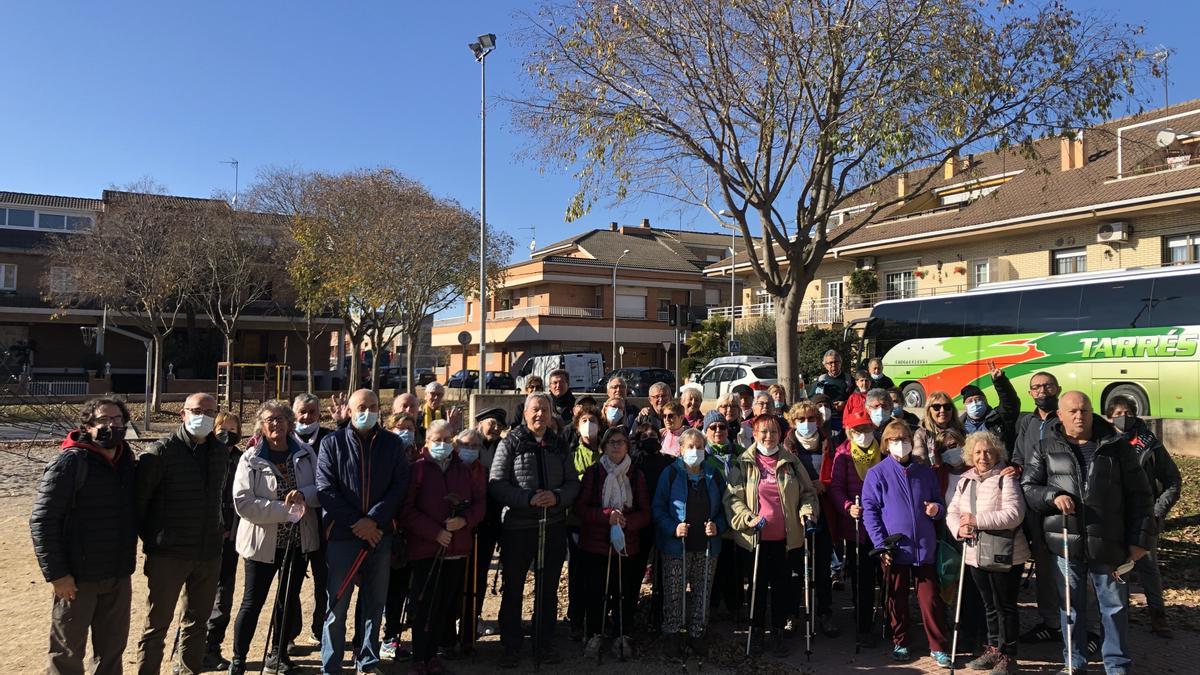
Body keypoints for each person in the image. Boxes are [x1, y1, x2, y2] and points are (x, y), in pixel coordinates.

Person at [1021, 391, 1157, 674]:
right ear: (1060, 414)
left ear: (1092, 411)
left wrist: (1140, 540)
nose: (1078, 416)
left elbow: (1142, 496)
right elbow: (1029, 488)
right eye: (1071, 411)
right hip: (1066, 544)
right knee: (1070, 608)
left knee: (1115, 608)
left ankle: (1117, 665)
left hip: (1111, 544)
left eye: (1083, 410)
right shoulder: (1044, 447)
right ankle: (1074, 662)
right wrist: (1052, 496)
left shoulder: (1117, 447)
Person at [31, 398, 138, 675]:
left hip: (117, 574)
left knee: (112, 651)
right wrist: (57, 574)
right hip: (77, 579)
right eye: (103, 420)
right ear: (88, 426)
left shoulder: (127, 461)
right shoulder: (70, 462)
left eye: (116, 420)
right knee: (67, 652)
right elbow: (43, 520)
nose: (111, 425)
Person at [134, 392, 230, 675]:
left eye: (211, 412)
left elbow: (219, 497)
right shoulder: (161, 452)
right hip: (169, 555)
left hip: (208, 553)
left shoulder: (220, 452)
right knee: (156, 625)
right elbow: (140, 505)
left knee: (197, 623)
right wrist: (156, 541)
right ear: (183, 414)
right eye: (198, 410)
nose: (204, 417)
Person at [316, 389, 411, 674]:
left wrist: (374, 520)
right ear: (349, 410)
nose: (367, 411)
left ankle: (368, 661)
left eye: (372, 406)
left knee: (374, 602)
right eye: (361, 406)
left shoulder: (392, 444)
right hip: (344, 535)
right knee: (337, 604)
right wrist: (357, 523)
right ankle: (331, 665)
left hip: (379, 535)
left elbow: (399, 486)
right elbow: (325, 489)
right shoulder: (332, 443)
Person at [489, 393, 581, 668]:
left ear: (552, 413)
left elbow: (573, 483)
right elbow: (496, 483)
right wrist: (527, 498)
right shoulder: (511, 442)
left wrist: (557, 496)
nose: (539, 414)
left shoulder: (559, 444)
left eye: (544, 409)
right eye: (534, 410)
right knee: (514, 588)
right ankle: (511, 646)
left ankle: (544, 643)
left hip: (552, 525)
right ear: (525, 413)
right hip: (519, 527)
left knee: (547, 589)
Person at [228, 401, 321, 675]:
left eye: (281, 419)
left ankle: (278, 656)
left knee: (288, 599)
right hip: (262, 543)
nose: (276, 424)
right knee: (252, 602)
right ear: (261, 425)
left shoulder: (305, 454)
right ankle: (239, 658)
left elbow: (321, 487)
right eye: (269, 419)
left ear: (290, 423)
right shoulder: (251, 458)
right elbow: (243, 503)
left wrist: (304, 496)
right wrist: (285, 509)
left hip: (296, 541)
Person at [725, 415, 819, 657]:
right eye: (763, 432)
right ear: (754, 434)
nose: (768, 437)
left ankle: (777, 630)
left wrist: (807, 511)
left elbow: (808, 493)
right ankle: (756, 630)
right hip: (754, 538)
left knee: (781, 587)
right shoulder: (743, 462)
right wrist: (747, 517)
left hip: (785, 540)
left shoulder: (792, 462)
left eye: (774, 432)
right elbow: (732, 497)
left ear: (780, 435)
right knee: (756, 587)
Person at [860, 420, 951, 666]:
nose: (901, 444)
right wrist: (881, 545)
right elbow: (870, 512)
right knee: (896, 597)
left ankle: (938, 646)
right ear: (886, 445)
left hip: (924, 547)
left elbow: (939, 503)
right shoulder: (876, 473)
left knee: (931, 599)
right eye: (894, 440)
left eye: (905, 439)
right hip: (894, 548)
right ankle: (900, 641)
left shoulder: (925, 471)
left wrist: (936, 509)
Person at [400, 419, 486, 675]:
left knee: (445, 606)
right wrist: (434, 532)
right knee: (424, 604)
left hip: (457, 548)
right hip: (427, 549)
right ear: (427, 441)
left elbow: (479, 504)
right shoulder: (417, 470)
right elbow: (407, 511)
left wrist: (464, 521)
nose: (442, 444)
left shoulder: (464, 470)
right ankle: (419, 658)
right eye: (437, 440)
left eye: (447, 440)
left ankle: (434, 656)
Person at [946, 431, 1029, 675]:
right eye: (978, 452)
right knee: (989, 605)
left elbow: (1014, 515)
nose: (983, 456)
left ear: (998, 453)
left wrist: (975, 520)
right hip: (974, 553)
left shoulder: (1006, 478)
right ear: (970, 455)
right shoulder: (965, 480)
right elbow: (952, 510)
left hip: (1007, 554)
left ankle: (1008, 655)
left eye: (989, 451)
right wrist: (959, 528)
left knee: (1006, 606)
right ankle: (993, 648)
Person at [1106, 395, 1182, 638]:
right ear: (1109, 416)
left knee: (1148, 567)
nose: (1123, 417)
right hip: (1115, 517)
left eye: (1128, 411)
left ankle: (1158, 614)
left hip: (1144, 515)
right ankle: (1121, 615)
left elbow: (1172, 480)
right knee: (1118, 568)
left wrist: (1157, 510)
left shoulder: (1150, 443)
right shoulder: (1104, 441)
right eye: (1118, 412)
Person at [654, 429, 727, 658]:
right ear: (681, 449)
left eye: (698, 447)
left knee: (702, 593)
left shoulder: (714, 475)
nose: (694, 451)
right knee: (674, 593)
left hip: (707, 547)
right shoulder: (670, 474)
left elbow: (727, 509)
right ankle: (672, 634)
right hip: (677, 546)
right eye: (689, 447)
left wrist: (718, 526)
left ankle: (697, 634)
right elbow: (658, 507)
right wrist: (672, 528)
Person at [577, 427, 651, 646]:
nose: (617, 446)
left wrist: (628, 522)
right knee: (596, 592)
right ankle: (594, 633)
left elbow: (645, 512)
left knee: (625, 593)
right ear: (604, 446)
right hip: (596, 543)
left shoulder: (636, 474)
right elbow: (580, 509)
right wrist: (606, 516)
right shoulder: (593, 472)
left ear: (628, 446)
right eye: (612, 442)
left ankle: (622, 633)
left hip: (627, 543)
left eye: (621, 442)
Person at [1012, 371, 1065, 644]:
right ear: (1030, 393)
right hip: (1033, 502)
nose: (1042, 391)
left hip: (1062, 501)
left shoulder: (1065, 419)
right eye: (1036, 387)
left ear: (1057, 388)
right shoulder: (1027, 422)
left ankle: (1083, 625)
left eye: (1047, 386)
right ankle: (1051, 623)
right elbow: (1019, 457)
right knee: (1043, 564)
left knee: (1070, 565)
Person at [784, 400, 840, 637]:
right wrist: (806, 487)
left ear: (818, 420)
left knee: (822, 564)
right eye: (801, 420)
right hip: (798, 513)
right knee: (795, 566)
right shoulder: (786, 446)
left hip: (826, 510)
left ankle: (825, 612)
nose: (806, 424)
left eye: (811, 419)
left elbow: (838, 473)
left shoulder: (831, 443)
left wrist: (824, 484)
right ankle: (793, 613)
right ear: (793, 422)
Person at [828, 410, 884, 646]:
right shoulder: (843, 455)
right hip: (856, 528)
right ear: (850, 432)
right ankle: (863, 625)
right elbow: (836, 488)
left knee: (882, 575)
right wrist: (848, 507)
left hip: (883, 524)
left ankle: (884, 619)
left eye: (867, 429)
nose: (863, 434)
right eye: (858, 430)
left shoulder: (883, 450)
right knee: (862, 578)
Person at [204, 411, 243, 670]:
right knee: (197, 597)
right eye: (221, 429)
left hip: (232, 536)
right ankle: (186, 648)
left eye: (232, 430)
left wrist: (232, 528)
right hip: (204, 536)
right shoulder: (201, 454)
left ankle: (212, 648)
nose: (226, 434)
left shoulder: (241, 459)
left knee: (223, 597)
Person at [567, 408, 603, 641]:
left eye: (593, 421)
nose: (589, 425)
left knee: (598, 572)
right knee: (577, 572)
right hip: (576, 522)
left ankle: (598, 616)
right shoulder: (571, 454)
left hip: (601, 523)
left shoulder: (606, 452)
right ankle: (576, 616)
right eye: (584, 421)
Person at [960, 361, 1021, 452]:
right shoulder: (959, 426)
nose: (975, 403)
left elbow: (1010, 402)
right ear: (965, 405)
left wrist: (1000, 382)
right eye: (970, 401)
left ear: (986, 401)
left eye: (978, 399)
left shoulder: (999, 417)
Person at [913, 391, 966, 467]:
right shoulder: (921, 434)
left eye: (947, 407)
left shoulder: (961, 429)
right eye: (936, 407)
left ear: (952, 410)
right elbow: (920, 461)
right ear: (929, 410)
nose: (942, 410)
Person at [810, 350, 855, 430]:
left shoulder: (849, 379)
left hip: (844, 420)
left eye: (836, 362)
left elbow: (856, 399)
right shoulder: (820, 380)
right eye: (830, 363)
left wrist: (845, 403)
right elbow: (811, 399)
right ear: (825, 365)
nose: (833, 365)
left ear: (840, 363)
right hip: (824, 421)